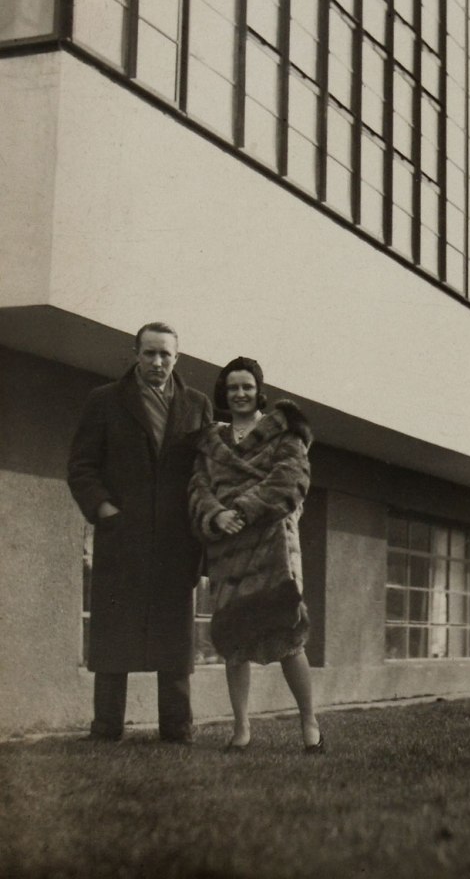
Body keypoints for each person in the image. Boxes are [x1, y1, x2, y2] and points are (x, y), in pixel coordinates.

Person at [67, 322, 212, 743]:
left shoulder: (196, 405)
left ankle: (177, 728)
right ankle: (106, 726)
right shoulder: (105, 401)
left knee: (174, 637)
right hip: (121, 538)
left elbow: (206, 472)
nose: (157, 362)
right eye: (149, 353)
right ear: (135, 354)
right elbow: (82, 466)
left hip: (175, 542)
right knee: (114, 633)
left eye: (166, 354)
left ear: (177, 358)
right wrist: (105, 511)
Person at [188, 356, 323, 753]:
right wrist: (217, 515)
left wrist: (244, 510)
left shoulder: (284, 434)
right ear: (224, 394)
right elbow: (198, 487)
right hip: (229, 548)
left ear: (259, 390)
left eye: (247, 386)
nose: (240, 394)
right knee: (233, 640)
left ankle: (309, 722)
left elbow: (291, 479)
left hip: (273, 545)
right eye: (233, 388)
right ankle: (242, 729)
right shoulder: (212, 441)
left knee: (289, 636)